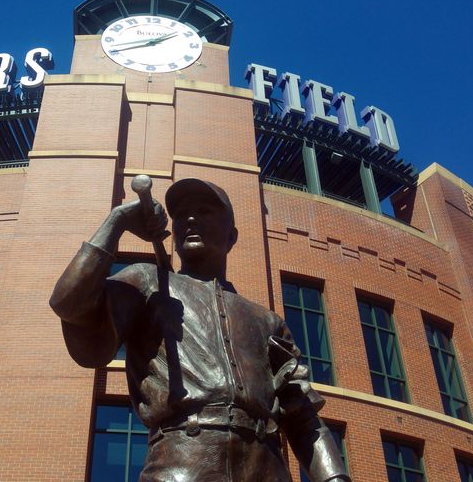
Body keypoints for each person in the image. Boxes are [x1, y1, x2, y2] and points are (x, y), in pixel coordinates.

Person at [50, 178, 351, 482]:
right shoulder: (149, 283)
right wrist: (117, 221)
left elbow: (303, 419)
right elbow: (70, 304)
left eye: (205, 211)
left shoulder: (266, 320)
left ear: (231, 236)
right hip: (181, 465)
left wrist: (335, 478)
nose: (190, 218)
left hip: (266, 469)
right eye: (181, 214)